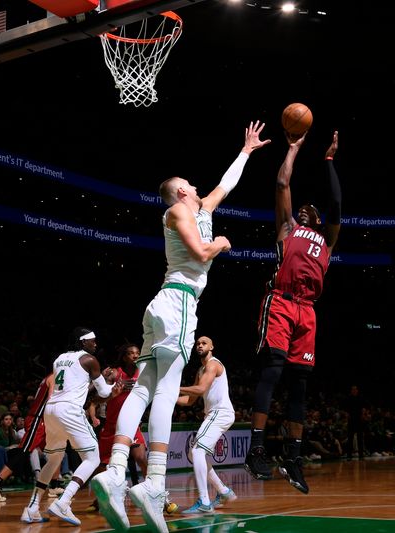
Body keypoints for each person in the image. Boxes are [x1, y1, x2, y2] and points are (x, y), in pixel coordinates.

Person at [92, 120, 269, 533]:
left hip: (162, 307)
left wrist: (245, 151)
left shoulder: (202, 208)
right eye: (189, 183)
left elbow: (227, 184)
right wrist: (223, 244)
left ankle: (117, 471)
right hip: (179, 304)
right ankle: (153, 482)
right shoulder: (177, 211)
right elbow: (202, 252)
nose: (196, 185)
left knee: (144, 386)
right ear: (181, 192)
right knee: (165, 391)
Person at [244, 130, 341, 494]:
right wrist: (294, 148)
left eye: (309, 210)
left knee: (300, 382)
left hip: (308, 311)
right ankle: (256, 449)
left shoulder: (328, 238)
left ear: (318, 219)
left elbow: (335, 202)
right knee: (272, 371)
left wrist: (329, 161)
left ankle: (293, 457)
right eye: (301, 209)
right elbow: (283, 181)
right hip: (282, 302)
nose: (303, 210)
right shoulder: (288, 229)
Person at [21, 328, 120, 525]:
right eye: (92, 341)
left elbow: (77, 385)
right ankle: (64, 501)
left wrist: (99, 379)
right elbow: (103, 392)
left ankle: (31, 508)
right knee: (93, 458)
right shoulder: (90, 360)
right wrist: (115, 385)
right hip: (70, 410)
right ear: (83, 342)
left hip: (52, 409)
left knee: (53, 459)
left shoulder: (60, 358)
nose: (95, 344)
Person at [86, 343, 178, 514]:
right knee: (101, 466)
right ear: (124, 356)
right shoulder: (113, 373)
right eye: (131, 353)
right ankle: (100, 500)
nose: (135, 356)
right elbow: (95, 400)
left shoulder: (144, 374)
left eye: (137, 353)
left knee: (141, 458)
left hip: (131, 424)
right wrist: (111, 394)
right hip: (111, 425)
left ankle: (160, 497)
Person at [176, 336, 238, 514]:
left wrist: (174, 387)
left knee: (196, 451)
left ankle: (204, 501)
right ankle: (224, 491)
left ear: (212, 346)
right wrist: (167, 397)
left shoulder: (213, 364)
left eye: (204, 343)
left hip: (220, 413)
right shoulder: (201, 370)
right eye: (198, 344)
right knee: (194, 453)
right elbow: (190, 400)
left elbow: (201, 389)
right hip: (215, 414)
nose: (200, 345)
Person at [0, 373, 62, 503]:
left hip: (44, 421)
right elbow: (51, 400)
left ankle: (54, 485)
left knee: (57, 450)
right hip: (37, 419)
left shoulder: (51, 377)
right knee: (23, 451)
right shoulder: (54, 377)